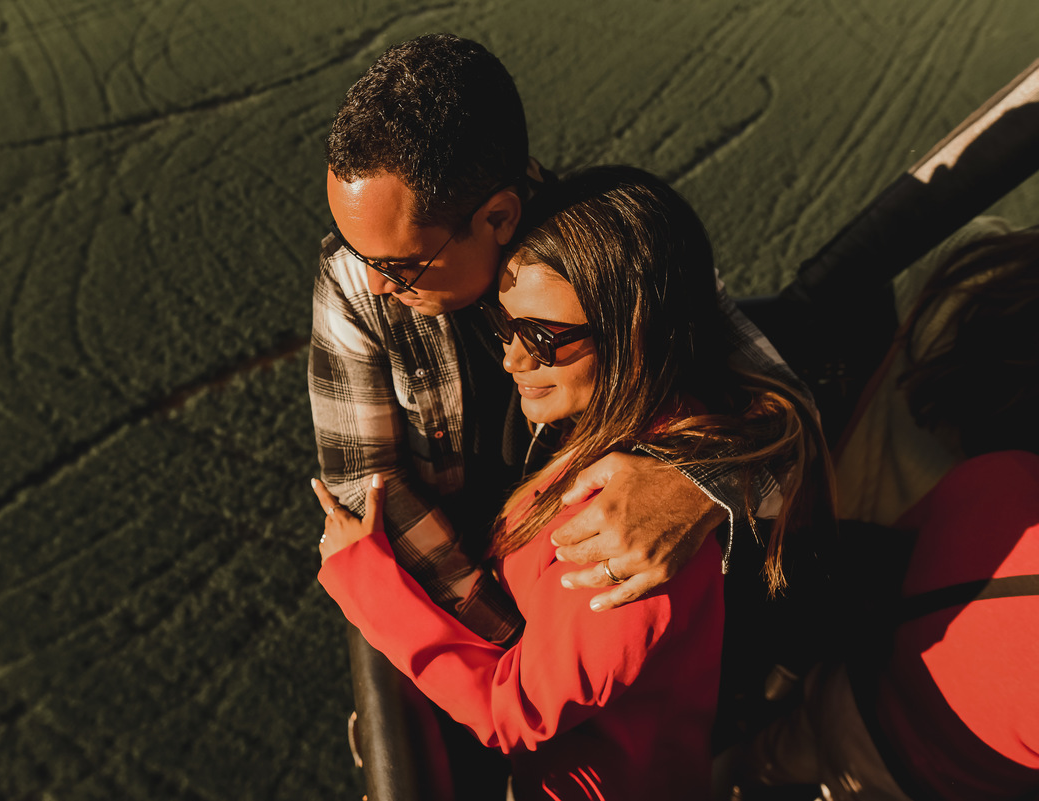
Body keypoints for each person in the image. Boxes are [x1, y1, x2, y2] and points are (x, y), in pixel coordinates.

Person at [312, 166, 831, 800]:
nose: (512, 359)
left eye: (544, 338)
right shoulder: (612, 434)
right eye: (505, 327)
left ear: (634, 332)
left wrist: (365, 582)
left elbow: (515, 712)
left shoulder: (627, 537)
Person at [310, 34, 810, 648]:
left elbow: (789, 414)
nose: (377, 283)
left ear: (499, 217)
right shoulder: (355, 278)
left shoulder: (621, 252)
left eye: (402, 264)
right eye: (360, 250)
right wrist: (524, 647)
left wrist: (698, 488)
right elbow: (369, 490)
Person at [730, 223, 1039, 800]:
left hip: (836, 594)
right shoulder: (1009, 483)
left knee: (761, 761)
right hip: (912, 703)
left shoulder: (981, 266)